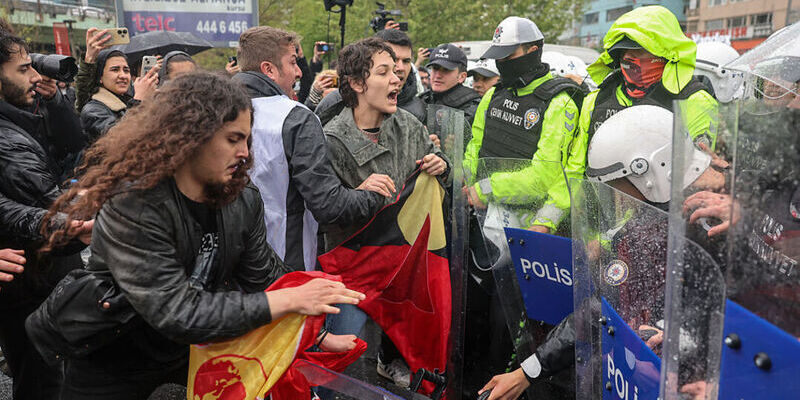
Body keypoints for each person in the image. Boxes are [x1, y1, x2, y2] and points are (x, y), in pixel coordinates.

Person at [41, 72, 365, 400]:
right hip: (112, 351)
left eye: (247, 140)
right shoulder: (134, 204)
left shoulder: (243, 197)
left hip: (191, 347)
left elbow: (263, 276)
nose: (245, 153)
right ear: (192, 136)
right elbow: (177, 311)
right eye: (232, 139)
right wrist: (287, 300)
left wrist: (313, 332)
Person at [479, 105, 724, 400]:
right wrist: (527, 372)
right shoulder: (647, 222)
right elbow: (599, 309)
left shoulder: (721, 224)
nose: (617, 201)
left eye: (618, 187)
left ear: (651, 171)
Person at [322, 37, 448, 387]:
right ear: (357, 84)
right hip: (354, 275)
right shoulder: (332, 140)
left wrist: (443, 166)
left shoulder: (409, 126)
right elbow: (324, 210)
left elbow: (440, 184)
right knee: (331, 365)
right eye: (385, 72)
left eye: (397, 71)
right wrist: (355, 196)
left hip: (406, 271)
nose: (399, 79)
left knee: (422, 353)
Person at [232, 26, 385, 270]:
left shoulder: (214, 108)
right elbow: (329, 205)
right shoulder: (295, 117)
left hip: (228, 266)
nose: (299, 71)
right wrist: (372, 194)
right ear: (268, 69)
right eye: (292, 63)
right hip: (285, 265)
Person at [0, 29, 93, 399]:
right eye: (24, 69)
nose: (36, 77)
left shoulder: (23, 116)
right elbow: (43, 200)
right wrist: (71, 212)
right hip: (30, 285)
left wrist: (55, 103)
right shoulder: (7, 139)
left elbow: (72, 144)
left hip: (38, 276)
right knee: (45, 385)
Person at [567, 5, 719, 180]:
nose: (630, 58)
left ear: (667, 55)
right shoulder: (596, 100)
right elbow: (576, 170)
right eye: (624, 52)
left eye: (640, 51)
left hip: (661, 204)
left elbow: (695, 174)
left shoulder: (695, 101)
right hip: (601, 202)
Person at [465, 16, 584, 235]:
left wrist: (484, 190)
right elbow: (475, 145)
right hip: (477, 212)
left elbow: (544, 177)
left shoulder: (559, 102)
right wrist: (465, 182)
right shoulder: (493, 94)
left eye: (509, 56)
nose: (502, 63)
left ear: (533, 51)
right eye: (498, 57)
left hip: (527, 224)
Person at [315, 28, 426, 125]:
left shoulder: (419, 112)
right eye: (394, 59)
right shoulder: (334, 103)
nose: (400, 67)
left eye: (406, 61)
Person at [77, 28, 158, 142]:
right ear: (100, 77)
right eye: (115, 70)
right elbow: (119, 138)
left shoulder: (129, 99)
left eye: (126, 70)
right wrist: (138, 101)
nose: (123, 75)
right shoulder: (93, 109)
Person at [420, 43, 482, 125]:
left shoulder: (473, 105)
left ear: (462, 77)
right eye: (435, 68)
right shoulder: (423, 99)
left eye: (446, 70)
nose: (438, 75)